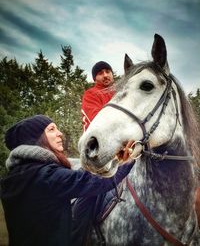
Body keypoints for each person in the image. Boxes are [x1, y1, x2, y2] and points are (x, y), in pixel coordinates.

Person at [0, 115, 134, 246]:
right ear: (35, 138)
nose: (60, 134)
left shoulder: (14, 177)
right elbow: (97, 182)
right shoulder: (45, 176)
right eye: (51, 129)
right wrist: (126, 160)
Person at [81, 61, 115, 131]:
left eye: (107, 71)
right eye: (100, 73)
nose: (105, 75)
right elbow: (98, 120)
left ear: (112, 74)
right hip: (95, 139)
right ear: (95, 79)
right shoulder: (91, 94)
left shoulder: (119, 92)